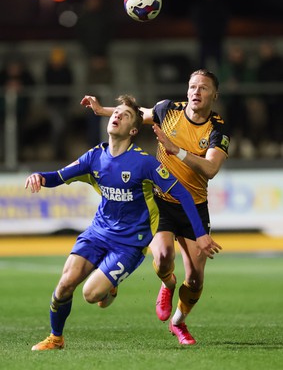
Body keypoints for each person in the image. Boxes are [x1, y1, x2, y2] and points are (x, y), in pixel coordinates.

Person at [25, 94, 221, 351]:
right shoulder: (95, 156)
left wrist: (201, 234)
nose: (117, 115)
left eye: (125, 115)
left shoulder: (145, 163)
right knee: (64, 286)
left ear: (134, 129)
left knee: (91, 295)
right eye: (116, 112)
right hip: (98, 232)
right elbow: (59, 176)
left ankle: (111, 285)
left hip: (130, 243)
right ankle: (55, 338)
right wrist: (40, 176)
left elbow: (182, 193)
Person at [80, 69, 230, 345]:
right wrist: (102, 111)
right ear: (187, 91)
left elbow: (210, 169)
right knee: (162, 257)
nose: (197, 92)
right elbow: (136, 114)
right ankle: (168, 283)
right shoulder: (167, 109)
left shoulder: (217, 129)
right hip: (161, 201)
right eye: (192, 86)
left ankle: (179, 323)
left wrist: (177, 150)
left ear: (214, 95)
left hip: (194, 206)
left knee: (196, 278)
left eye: (204, 88)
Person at [190, 0, 230, 70]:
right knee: (201, 64)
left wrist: (221, 32)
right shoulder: (199, 6)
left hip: (217, 38)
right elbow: (196, 20)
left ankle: (220, 81)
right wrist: (200, 32)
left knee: (220, 63)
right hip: (204, 39)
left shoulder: (220, 5)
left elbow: (225, 20)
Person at [43, 47, 74, 160]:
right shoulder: (48, 71)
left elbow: (69, 85)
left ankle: (62, 153)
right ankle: (56, 152)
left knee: (64, 128)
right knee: (58, 126)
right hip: (53, 105)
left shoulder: (67, 71)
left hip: (65, 104)